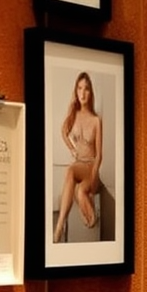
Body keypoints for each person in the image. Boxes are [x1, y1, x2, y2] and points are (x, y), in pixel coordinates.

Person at [53, 72, 102, 243]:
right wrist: (71, 149)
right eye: (79, 88)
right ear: (76, 91)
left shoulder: (96, 120)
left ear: (91, 93)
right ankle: (61, 225)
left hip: (91, 168)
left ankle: (59, 226)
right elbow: (63, 131)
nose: (82, 93)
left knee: (79, 188)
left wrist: (94, 182)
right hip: (79, 165)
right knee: (74, 179)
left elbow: (99, 156)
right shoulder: (73, 116)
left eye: (86, 89)